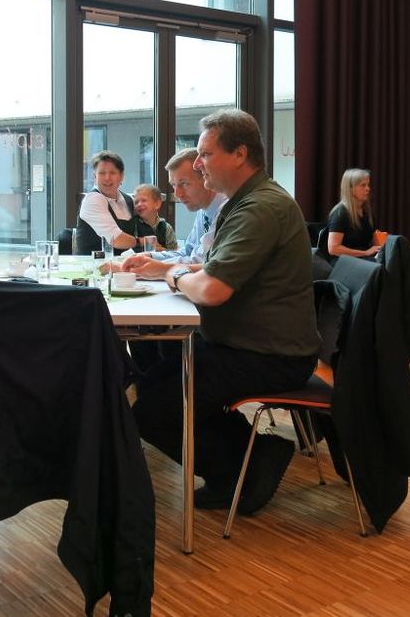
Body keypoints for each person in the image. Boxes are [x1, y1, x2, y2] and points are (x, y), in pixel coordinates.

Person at [130, 109, 320, 516]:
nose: (198, 164)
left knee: (152, 411)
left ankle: (243, 471)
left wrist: (174, 273)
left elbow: (212, 289)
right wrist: (171, 271)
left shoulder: (259, 208)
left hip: (269, 355)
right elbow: (212, 271)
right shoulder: (248, 202)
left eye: (205, 154)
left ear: (239, 154)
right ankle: (251, 457)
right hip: (251, 345)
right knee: (154, 382)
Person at [128, 147, 227, 268]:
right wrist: (148, 257)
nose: (177, 194)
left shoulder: (226, 209)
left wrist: (153, 266)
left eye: (184, 183)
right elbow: (187, 252)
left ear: (205, 176)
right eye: (174, 185)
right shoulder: (203, 211)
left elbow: (200, 261)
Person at [74, 150, 141, 255]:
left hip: (123, 263)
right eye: (102, 173)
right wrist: (143, 242)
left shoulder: (129, 200)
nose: (107, 178)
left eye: (112, 173)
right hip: (92, 262)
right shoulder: (93, 199)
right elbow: (116, 239)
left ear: (121, 176)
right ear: (95, 177)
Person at [327, 168, 381, 258]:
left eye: (368, 185)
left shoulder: (367, 212)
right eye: (363, 185)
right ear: (350, 189)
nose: (368, 189)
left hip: (364, 259)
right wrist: (365, 253)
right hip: (345, 261)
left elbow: (371, 242)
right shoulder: (340, 213)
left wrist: (380, 241)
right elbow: (333, 249)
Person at [132, 183, 177, 251]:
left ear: (157, 204)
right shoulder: (133, 225)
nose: (139, 204)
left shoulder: (166, 228)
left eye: (144, 200)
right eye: (136, 202)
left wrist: (162, 251)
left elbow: (175, 252)